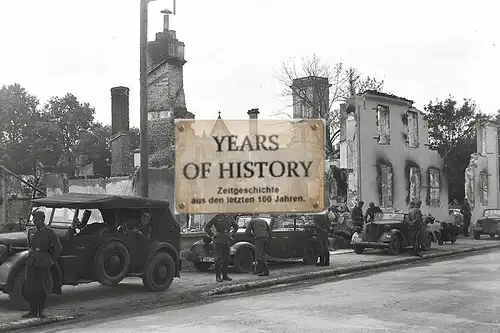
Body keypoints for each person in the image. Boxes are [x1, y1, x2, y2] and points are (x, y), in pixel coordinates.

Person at [22, 211, 62, 318]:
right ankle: (32, 311)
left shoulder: (49, 232)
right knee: (30, 286)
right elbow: (29, 245)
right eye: (34, 219)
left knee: (41, 287)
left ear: (43, 220)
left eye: (37, 220)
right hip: (31, 261)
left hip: (43, 261)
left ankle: (41, 311)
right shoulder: (31, 231)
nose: (35, 222)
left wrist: (51, 259)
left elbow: (58, 247)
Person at [204, 214, 239, 282]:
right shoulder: (216, 217)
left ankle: (225, 275)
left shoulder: (229, 217)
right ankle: (218, 276)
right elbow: (207, 227)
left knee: (227, 259)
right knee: (219, 259)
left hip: (227, 240)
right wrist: (212, 235)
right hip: (218, 240)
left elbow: (236, 226)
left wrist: (232, 233)